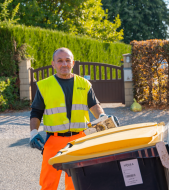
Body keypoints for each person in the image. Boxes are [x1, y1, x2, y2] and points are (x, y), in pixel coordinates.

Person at [29, 47, 119, 190]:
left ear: (73, 63)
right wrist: (33, 132)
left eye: (67, 60)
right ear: (53, 64)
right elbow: (36, 112)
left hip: (79, 139)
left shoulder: (84, 84)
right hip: (53, 140)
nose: (64, 64)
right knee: (48, 183)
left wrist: (102, 116)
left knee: (76, 182)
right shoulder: (44, 85)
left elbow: (94, 105)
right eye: (60, 61)